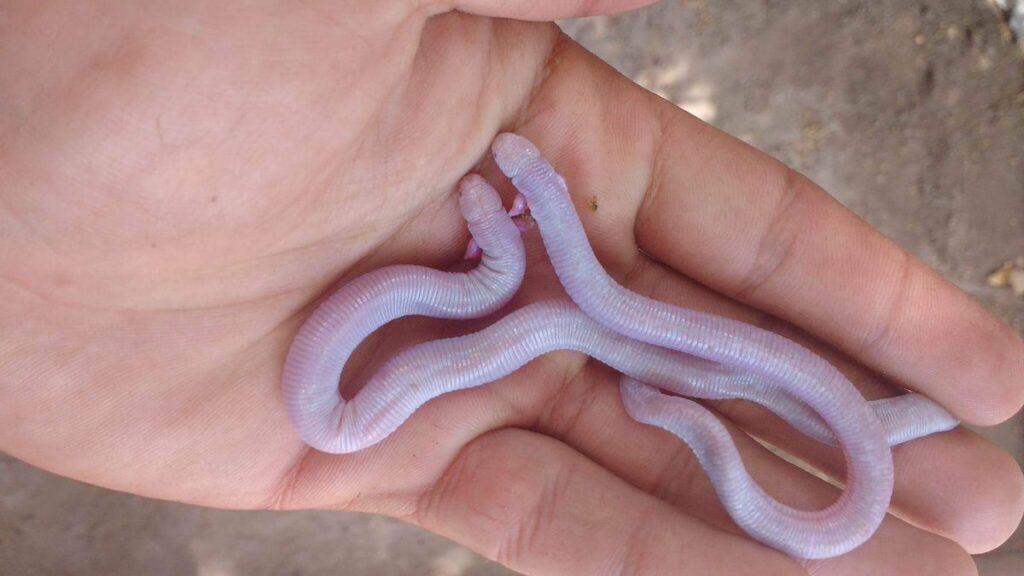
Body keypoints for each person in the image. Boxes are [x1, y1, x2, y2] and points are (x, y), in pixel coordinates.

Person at [1, 1, 1021, 574]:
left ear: (529, 213)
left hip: (501, 320)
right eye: (515, 204)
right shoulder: (514, 303)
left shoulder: (532, 299)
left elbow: (565, 311)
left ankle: (865, 424)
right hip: (437, 349)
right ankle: (868, 423)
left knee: (657, 353)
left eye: (517, 199)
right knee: (619, 341)